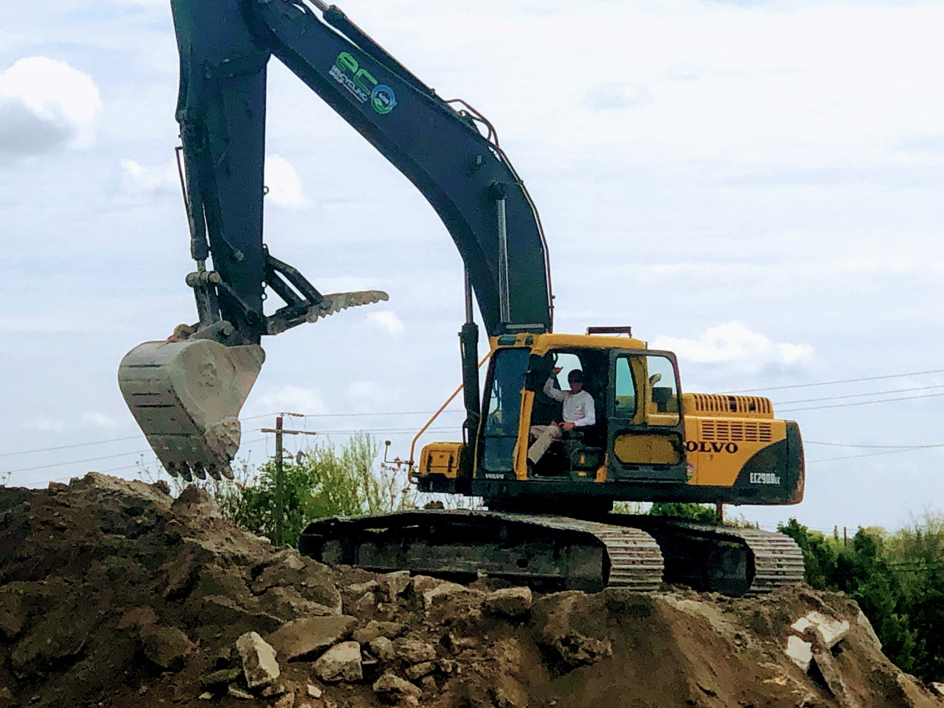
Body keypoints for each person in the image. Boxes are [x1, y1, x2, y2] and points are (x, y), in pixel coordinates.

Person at [528, 368, 596, 466]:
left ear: (581, 383)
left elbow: (591, 419)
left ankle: (529, 460)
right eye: (570, 381)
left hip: (575, 431)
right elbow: (548, 391)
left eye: (575, 381)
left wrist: (573, 424)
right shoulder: (566, 395)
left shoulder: (587, 398)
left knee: (551, 430)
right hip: (561, 429)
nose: (572, 384)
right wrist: (552, 376)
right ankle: (515, 457)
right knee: (531, 430)